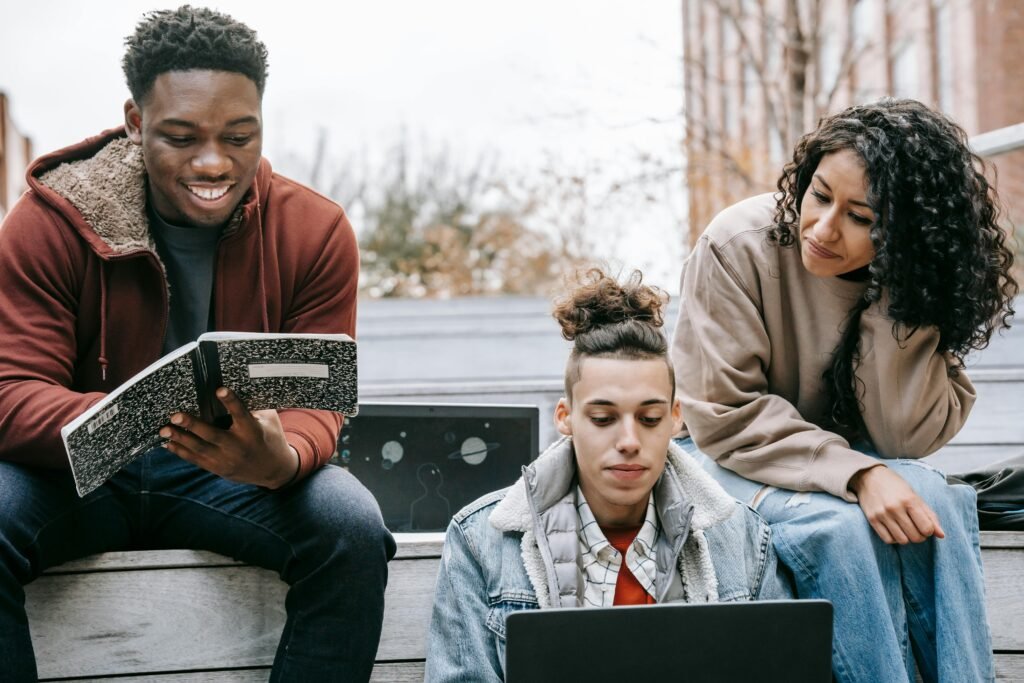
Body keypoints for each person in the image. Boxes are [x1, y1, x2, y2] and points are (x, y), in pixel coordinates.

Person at [0, 7, 395, 681]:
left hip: (234, 475)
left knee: (351, 525)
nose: (214, 162)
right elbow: (11, 392)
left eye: (240, 136)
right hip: (79, 477)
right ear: (134, 122)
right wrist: (128, 421)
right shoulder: (50, 222)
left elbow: (320, 393)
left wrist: (281, 457)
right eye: (181, 137)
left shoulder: (316, 232)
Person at [671, 98, 1018, 682]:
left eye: (863, 217)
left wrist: (894, 301)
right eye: (820, 195)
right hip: (725, 456)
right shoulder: (738, 244)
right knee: (843, 530)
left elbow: (903, 435)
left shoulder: (911, 280)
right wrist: (857, 474)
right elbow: (725, 415)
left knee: (941, 501)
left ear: (906, 233)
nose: (824, 229)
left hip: (846, 462)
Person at [425, 268, 789, 682]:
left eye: (649, 418)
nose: (629, 440)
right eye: (603, 418)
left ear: (675, 419)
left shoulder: (742, 538)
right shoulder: (481, 540)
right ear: (566, 418)